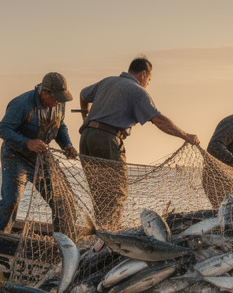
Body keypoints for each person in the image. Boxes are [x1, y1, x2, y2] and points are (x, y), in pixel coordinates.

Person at [77, 56, 201, 229]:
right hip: (108, 139)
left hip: (87, 137)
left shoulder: (107, 81)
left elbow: (83, 94)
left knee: (99, 191)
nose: (147, 83)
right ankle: (110, 234)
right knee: (115, 191)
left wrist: (86, 116)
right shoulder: (137, 91)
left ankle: (101, 231)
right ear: (143, 74)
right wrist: (185, 135)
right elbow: (159, 120)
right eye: (149, 80)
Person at [0, 72, 79, 234]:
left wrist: (67, 145)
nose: (59, 101)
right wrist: (27, 143)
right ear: (44, 93)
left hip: (41, 156)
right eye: (56, 98)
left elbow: (60, 126)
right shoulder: (21, 104)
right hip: (15, 156)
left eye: (61, 98)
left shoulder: (58, 104)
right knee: (12, 200)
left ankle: (63, 240)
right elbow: (2, 129)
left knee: (63, 199)